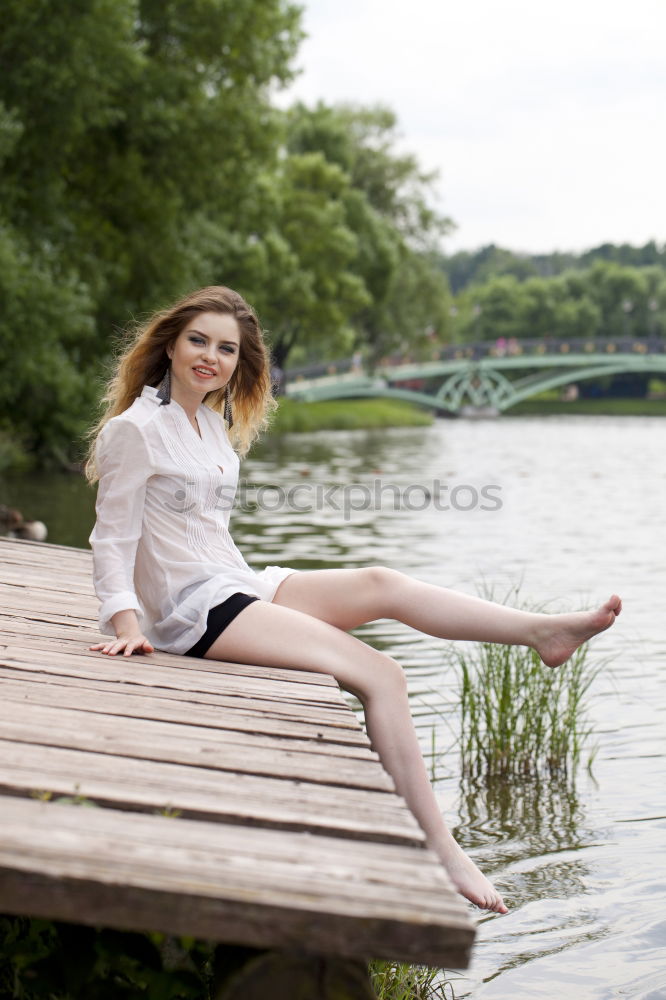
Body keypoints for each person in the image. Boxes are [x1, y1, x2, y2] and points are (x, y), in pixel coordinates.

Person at [86, 285, 622, 915]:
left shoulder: (208, 423)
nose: (211, 356)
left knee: (382, 582)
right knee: (382, 674)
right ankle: (441, 849)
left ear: (240, 361)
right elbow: (112, 538)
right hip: (191, 610)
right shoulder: (136, 429)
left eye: (226, 348)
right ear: (171, 345)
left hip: (236, 582)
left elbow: (207, 533)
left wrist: (264, 592)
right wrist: (126, 623)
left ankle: (539, 633)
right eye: (198, 340)